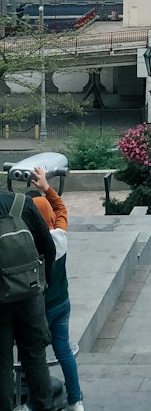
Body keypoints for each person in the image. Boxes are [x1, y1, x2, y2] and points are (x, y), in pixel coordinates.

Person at [0, 176, 56, 411]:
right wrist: (44, 285)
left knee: (1, 363)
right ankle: (43, 406)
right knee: (35, 356)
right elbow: (48, 248)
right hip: (30, 293)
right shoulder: (22, 203)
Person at [30, 167, 81, 411]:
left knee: (35, 357)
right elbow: (61, 209)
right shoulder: (60, 235)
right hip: (63, 303)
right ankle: (76, 400)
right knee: (64, 351)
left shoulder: (31, 245)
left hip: (41, 308)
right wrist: (46, 188)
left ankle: (34, 403)